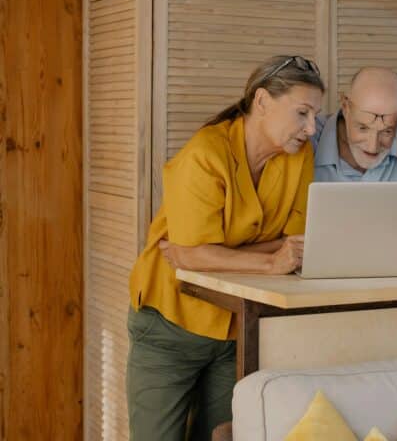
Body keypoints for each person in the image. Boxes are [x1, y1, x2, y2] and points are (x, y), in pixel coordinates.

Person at [126, 55, 324, 441]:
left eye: (315, 116)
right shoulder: (205, 154)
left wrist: (211, 252)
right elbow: (188, 258)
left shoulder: (301, 157)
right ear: (263, 101)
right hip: (169, 324)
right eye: (302, 113)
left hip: (237, 327)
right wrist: (269, 263)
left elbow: (297, 244)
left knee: (221, 437)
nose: (312, 128)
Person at [313, 66, 397, 182]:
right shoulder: (308, 136)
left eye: (387, 131)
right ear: (346, 107)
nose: (372, 147)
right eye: (363, 128)